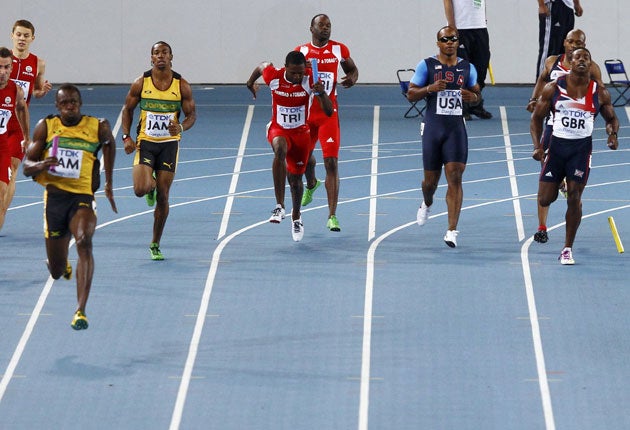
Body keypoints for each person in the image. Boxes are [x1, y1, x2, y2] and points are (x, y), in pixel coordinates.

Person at [22, 84, 117, 329]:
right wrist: (43, 164)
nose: (69, 107)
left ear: (80, 103)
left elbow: (109, 144)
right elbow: (26, 166)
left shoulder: (97, 126)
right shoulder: (47, 126)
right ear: (57, 105)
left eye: (74, 102)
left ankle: (80, 311)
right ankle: (60, 264)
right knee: (55, 271)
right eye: (64, 103)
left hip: (81, 198)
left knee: (84, 241)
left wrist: (108, 184)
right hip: (54, 200)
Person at [530, 47, 618, 265]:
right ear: (570, 60)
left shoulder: (599, 92)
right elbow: (536, 119)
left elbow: (611, 119)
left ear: (590, 64)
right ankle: (559, 180)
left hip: (580, 151)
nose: (581, 60)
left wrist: (612, 135)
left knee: (575, 197)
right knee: (545, 198)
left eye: (586, 58)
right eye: (577, 57)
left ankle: (567, 248)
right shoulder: (553, 88)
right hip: (556, 148)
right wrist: (538, 146)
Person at [526, 28, 603, 243]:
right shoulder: (552, 62)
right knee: (545, 174)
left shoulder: (592, 67)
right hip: (553, 126)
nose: (573, 45)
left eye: (578, 42)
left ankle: (570, 192)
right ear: (565, 43)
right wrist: (534, 99)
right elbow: (542, 80)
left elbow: (600, 96)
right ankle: (542, 226)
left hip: (577, 134)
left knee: (572, 184)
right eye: (571, 41)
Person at [407, 26, 482, 248]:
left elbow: (477, 94)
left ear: (458, 43)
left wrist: (473, 97)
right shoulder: (427, 65)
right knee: (430, 183)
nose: (449, 42)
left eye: (453, 39)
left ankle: (452, 230)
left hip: (455, 129)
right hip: (433, 128)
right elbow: (411, 93)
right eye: (444, 39)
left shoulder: (468, 68)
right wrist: (430, 88)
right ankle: (427, 202)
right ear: (438, 43)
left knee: (455, 176)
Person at [246, 51, 332, 242]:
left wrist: (321, 92)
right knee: (280, 150)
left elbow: (327, 111)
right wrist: (250, 82)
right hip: (279, 128)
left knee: (295, 181)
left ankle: (296, 216)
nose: (297, 77)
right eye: (293, 73)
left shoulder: (310, 81)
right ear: (285, 68)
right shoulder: (274, 77)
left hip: (301, 134)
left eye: (300, 73)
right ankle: (279, 206)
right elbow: (262, 64)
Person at [122, 41, 196, 260]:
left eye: (165, 52)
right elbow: (127, 110)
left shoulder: (181, 85)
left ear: (171, 57)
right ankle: (149, 185)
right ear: (151, 58)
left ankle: (155, 243)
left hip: (169, 144)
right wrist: (126, 136)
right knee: (140, 190)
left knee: (164, 196)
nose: (161, 56)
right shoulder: (140, 83)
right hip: (145, 141)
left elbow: (192, 115)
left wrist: (181, 126)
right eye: (156, 53)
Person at [294, 13, 359, 232]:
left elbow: (352, 69)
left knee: (331, 162)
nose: (326, 28)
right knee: (303, 161)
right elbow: (291, 77)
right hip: (306, 116)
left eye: (329, 25)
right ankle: (311, 184)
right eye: (321, 25)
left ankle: (332, 215)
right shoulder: (301, 52)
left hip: (328, 115)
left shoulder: (339, 49)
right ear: (311, 28)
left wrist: (352, 78)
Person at [0, 20, 52, 232]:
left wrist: (42, 91)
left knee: (12, 168)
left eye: (26, 35)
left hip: (16, 124)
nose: (22, 38)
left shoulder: (38, 63)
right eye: (18, 34)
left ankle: (2, 209)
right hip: (4, 120)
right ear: (12, 35)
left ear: (32, 38)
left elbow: (35, 91)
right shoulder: (4, 61)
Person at [443, 0, 492, 120]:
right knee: (462, 69)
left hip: (480, 27)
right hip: (461, 26)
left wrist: (484, 18)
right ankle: (461, 106)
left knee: (481, 66)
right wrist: (451, 24)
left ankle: (475, 103)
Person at [0, 46, 29, 232]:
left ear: (11, 68)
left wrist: (27, 136)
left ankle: (3, 212)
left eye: (6, 67)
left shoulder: (15, 90)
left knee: (2, 189)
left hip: (6, 138)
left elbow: (22, 109)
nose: (2, 72)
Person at [536, 0, 583, 79]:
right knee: (549, 50)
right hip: (553, 5)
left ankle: (559, 86)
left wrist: (576, 4)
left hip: (568, 8)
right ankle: (541, 86)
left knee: (565, 51)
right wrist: (541, 5)